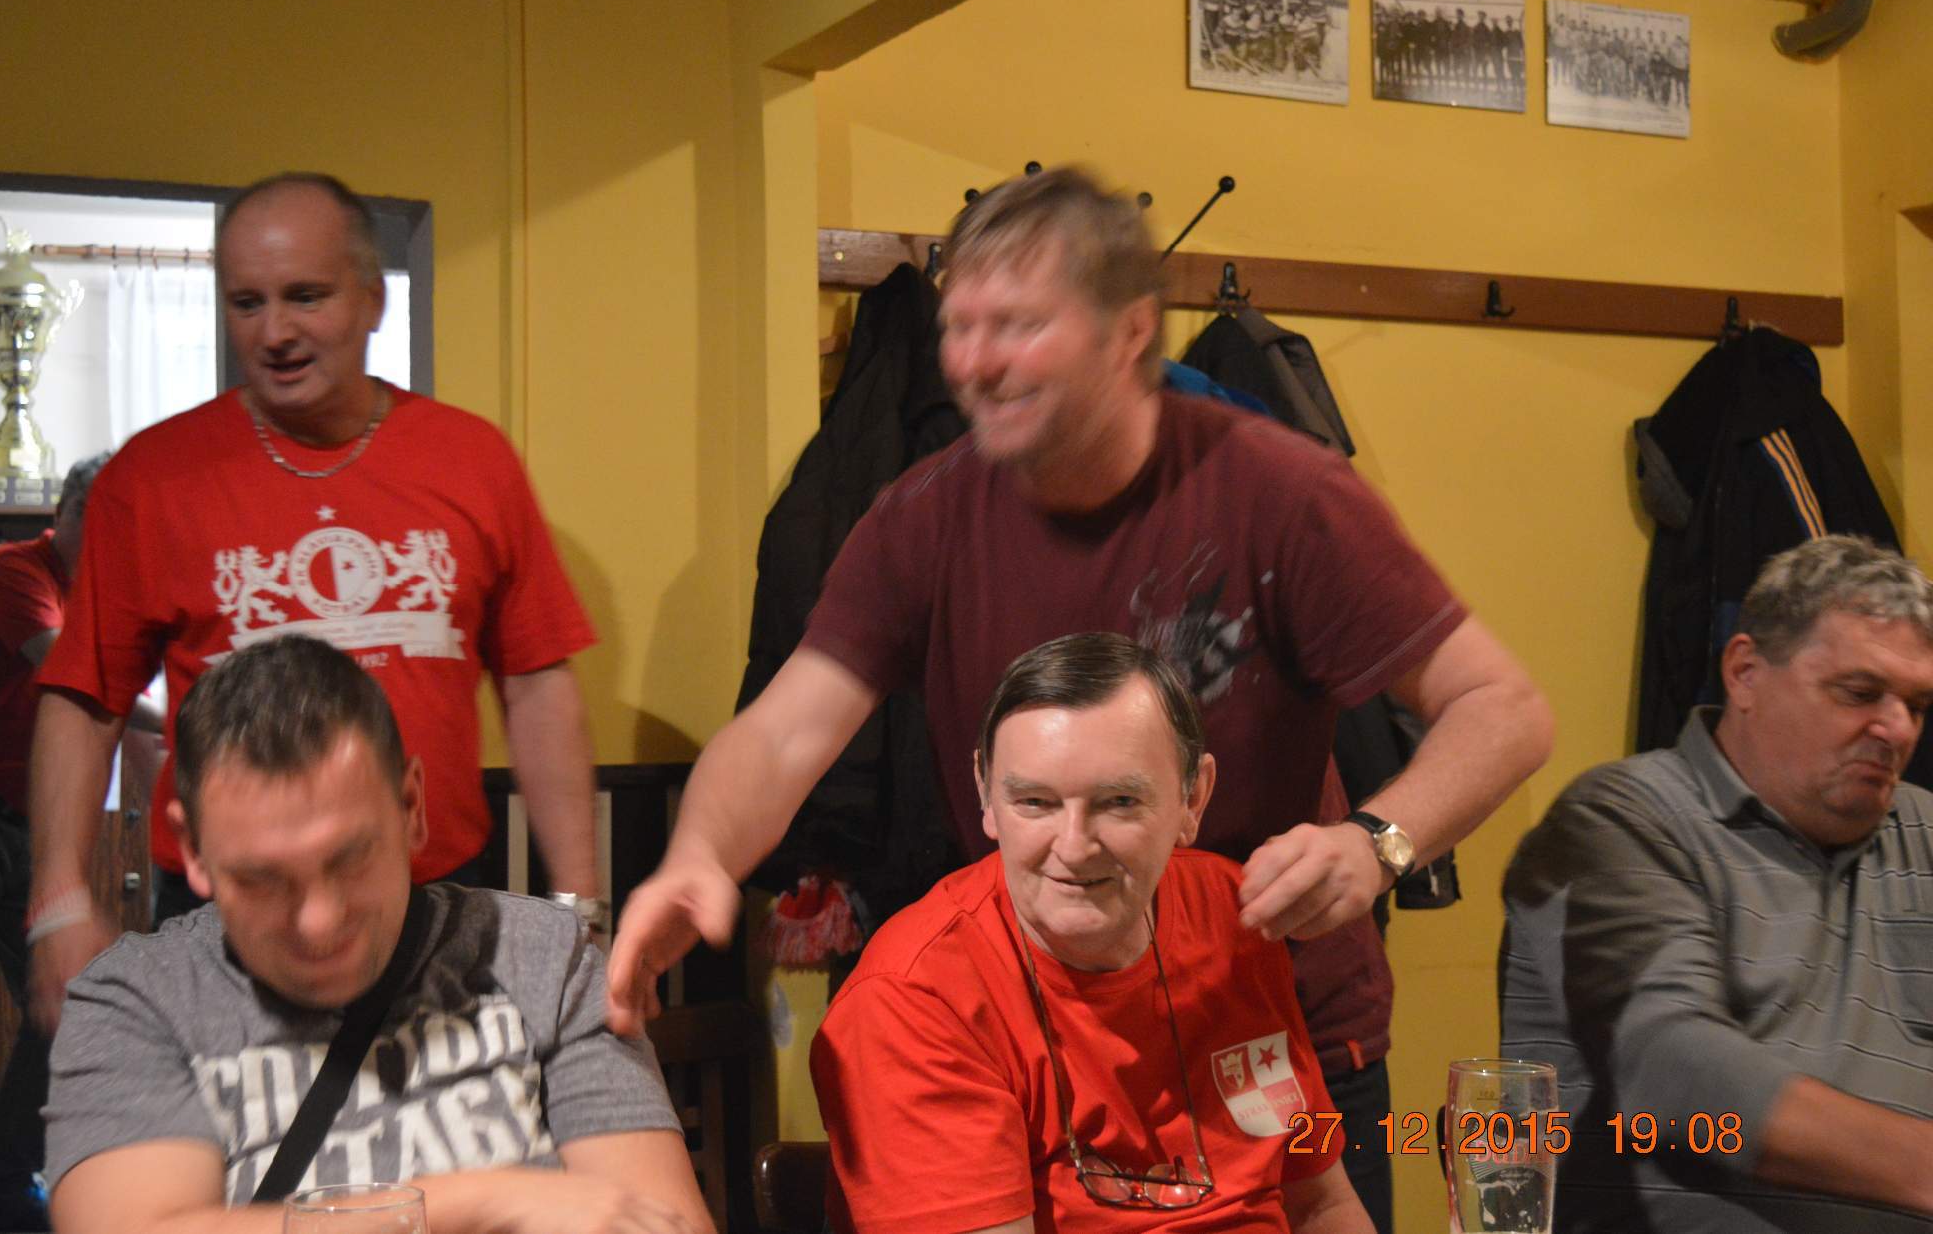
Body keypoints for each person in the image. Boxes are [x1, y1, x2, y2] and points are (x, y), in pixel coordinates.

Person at [611, 166, 1553, 1232]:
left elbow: (1503, 709)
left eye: (1016, 326)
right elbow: (786, 733)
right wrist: (699, 855)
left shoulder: (1280, 492)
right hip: (1038, 1034)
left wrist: (1376, 843)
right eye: (958, 327)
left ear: (1128, 331)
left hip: (1263, 1016)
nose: (972, 361)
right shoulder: (923, 514)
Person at [26, 171, 603, 1037]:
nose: (276, 333)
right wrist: (59, 901)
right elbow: (84, 698)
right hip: (227, 922)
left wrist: (580, 905)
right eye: (247, 303)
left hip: (438, 911)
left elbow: (537, 685)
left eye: (306, 296)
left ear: (372, 300)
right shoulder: (151, 480)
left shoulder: (471, 460)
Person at [44, 635, 709, 1234]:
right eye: (264, 880)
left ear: (412, 807)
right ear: (192, 849)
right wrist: (492, 1199)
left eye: (350, 858)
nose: (319, 921)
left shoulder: (545, 958)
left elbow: (661, 1221)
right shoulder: (135, 1000)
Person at [812, 633, 1372, 1233]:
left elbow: (1321, 1203)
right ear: (985, 793)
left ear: (1193, 799)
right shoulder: (914, 998)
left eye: (1119, 801)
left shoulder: (1233, 912)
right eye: (1035, 802)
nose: (1074, 848)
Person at [1500, 534, 1933, 1232]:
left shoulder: (1924, 831)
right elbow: (1675, 1074)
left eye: (1917, 705)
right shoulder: (1618, 823)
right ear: (1745, 672)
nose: (1897, 729)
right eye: (1860, 693)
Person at [0, 454, 151, 1230]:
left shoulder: (107, 597)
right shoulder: (13, 573)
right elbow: (67, 672)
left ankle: (6, 1169)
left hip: (29, 821)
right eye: (106, 523)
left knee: (69, 990)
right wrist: (185, 714)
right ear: (70, 516)